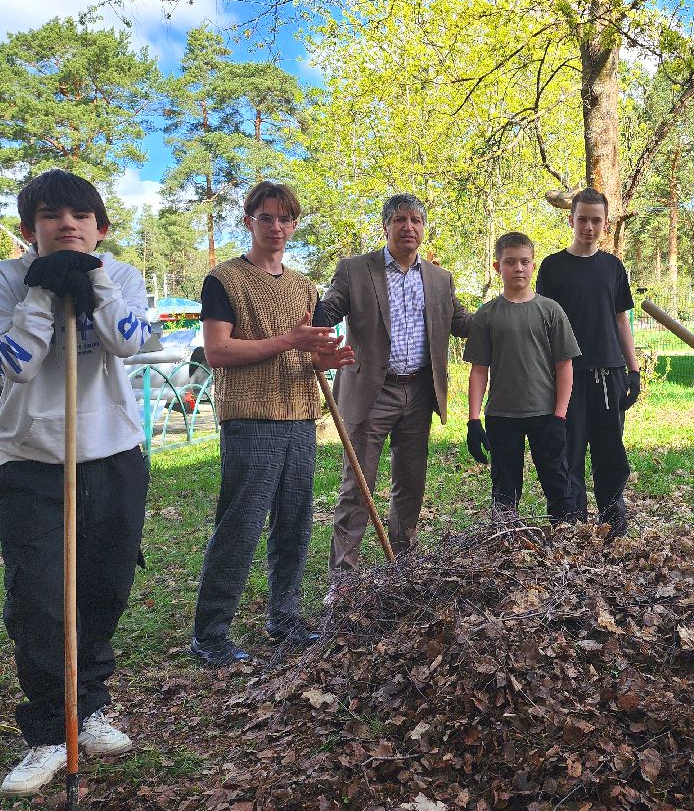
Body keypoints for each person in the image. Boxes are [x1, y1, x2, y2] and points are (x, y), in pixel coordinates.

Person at [0, 168, 155, 797]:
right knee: (40, 595)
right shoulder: (1, 279)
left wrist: (95, 283)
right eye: (52, 216)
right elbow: (16, 367)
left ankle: (93, 704)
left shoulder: (123, 275)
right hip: (33, 460)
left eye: (80, 217)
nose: (67, 226)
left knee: (104, 584)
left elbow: (128, 344)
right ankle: (51, 731)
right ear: (31, 229)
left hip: (112, 452)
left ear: (100, 228)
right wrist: (39, 293)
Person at [190, 181, 353, 667]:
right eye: (267, 218)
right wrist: (289, 341)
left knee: (295, 522)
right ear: (249, 221)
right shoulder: (225, 281)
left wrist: (330, 358)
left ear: (294, 225)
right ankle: (211, 632)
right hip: (251, 418)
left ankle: (284, 616)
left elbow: (312, 351)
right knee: (241, 523)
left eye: (285, 219)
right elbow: (217, 351)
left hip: (301, 415)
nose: (277, 227)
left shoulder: (306, 288)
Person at [314, 193, 472, 569]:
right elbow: (328, 310)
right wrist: (303, 316)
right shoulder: (355, 270)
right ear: (386, 226)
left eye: (416, 221)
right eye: (400, 220)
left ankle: (404, 565)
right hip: (371, 392)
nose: (408, 227)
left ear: (423, 228)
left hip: (418, 393)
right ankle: (344, 577)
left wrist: (515, 314)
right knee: (357, 486)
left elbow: (464, 324)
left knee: (410, 484)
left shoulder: (439, 279)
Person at [534, 188, 641, 537]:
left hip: (609, 373)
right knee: (569, 452)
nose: (589, 227)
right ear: (571, 220)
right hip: (568, 376)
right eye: (583, 219)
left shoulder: (613, 267)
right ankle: (572, 525)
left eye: (596, 220)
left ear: (605, 223)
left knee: (610, 452)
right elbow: (544, 325)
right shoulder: (552, 267)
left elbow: (621, 319)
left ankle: (613, 522)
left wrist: (633, 370)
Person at [462, 232, 579, 522]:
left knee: (557, 482)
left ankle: (565, 541)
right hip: (502, 416)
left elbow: (565, 366)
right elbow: (479, 370)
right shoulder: (487, 315)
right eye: (510, 262)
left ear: (533, 265)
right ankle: (506, 544)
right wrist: (473, 419)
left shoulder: (550, 311)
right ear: (497, 267)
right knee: (504, 487)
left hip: (545, 414)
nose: (518, 268)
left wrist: (560, 417)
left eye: (525, 262)